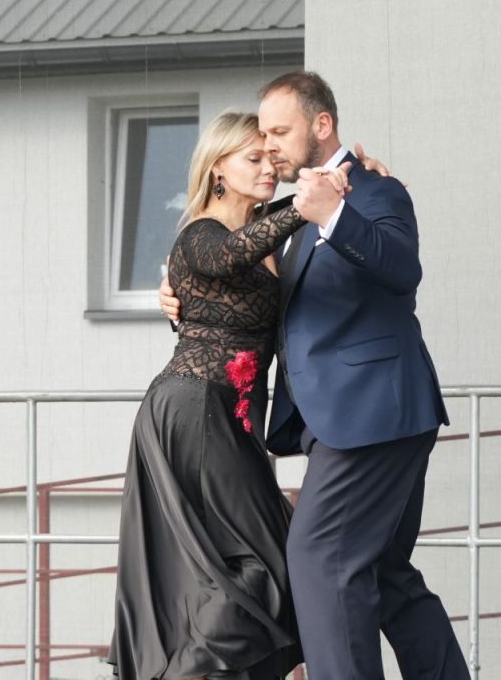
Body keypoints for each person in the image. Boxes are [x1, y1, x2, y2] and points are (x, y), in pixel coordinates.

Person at [160, 71, 469, 680]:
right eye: (262, 136)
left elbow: (403, 268)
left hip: (372, 411)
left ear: (321, 125)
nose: (269, 145)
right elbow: (235, 273)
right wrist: (174, 295)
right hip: (344, 417)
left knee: (319, 557)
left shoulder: (374, 191)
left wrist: (338, 214)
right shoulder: (296, 209)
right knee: (385, 572)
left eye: (279, 132)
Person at [109, 109, 356, 680]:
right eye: (253, 158)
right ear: (217, 168)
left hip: (233, 416)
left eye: (272, 157)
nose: (269, 167)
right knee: (264, 561)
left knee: (281, 557)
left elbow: (280, 225)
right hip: (194, 408)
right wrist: (308, 203)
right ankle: (190, 670)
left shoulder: (265, 227)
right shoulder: (200, 234)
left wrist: (352, 172)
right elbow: (229, 254)